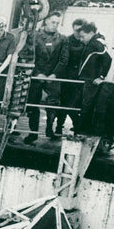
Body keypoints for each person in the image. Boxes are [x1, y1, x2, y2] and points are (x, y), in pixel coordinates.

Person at [23, 10, 68, 144]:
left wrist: (54, 75)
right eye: (53, 22)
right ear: (46, 21)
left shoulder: (63, 39)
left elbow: (64, 59)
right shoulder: (34, 36)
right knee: (32, 104)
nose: (55, 25)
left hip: (53, 77)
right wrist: (37, 73)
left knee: (53, 104)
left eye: (57, 23)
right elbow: (28, 56)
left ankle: (50, 128)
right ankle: (33, 133)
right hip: (37, 76)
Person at [74, 21, 112, 134]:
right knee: (82, 105)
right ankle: (81, 128)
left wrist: (101, 77)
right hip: (87, 79)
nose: (81, 39)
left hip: (91, 80)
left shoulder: (96, 43)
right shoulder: (94, 42)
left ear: (90, 33)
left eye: (82, 36)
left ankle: (82, 130)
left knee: (86, 106)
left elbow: (108, 59)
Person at [55, 17, 86, 135]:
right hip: (67, 76)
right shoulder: (67, 40)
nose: (78, 33)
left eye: (80, 30)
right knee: (64, 102)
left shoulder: (86, 41)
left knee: (75, 104)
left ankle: (77, 126)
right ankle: (60, 126)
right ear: (73, 29)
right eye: (76, 30)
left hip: (80, 78)